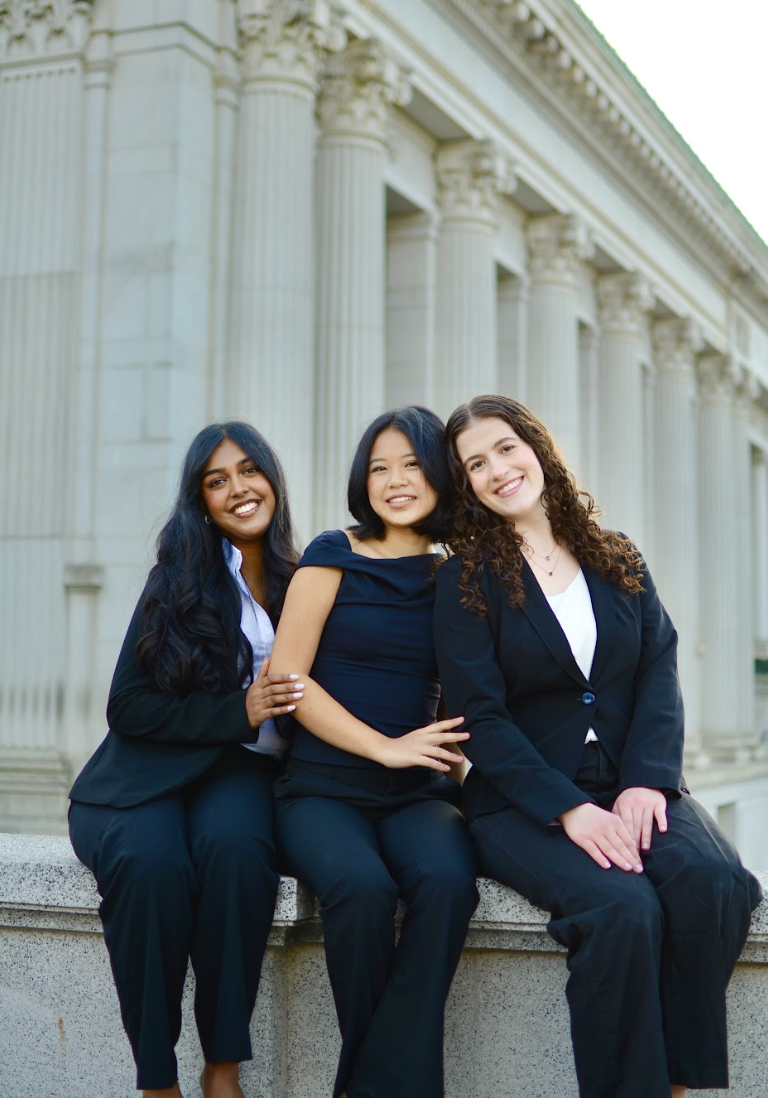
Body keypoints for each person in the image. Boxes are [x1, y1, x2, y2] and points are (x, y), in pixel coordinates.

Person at [433, 394, 762, 1098]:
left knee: (713, 881)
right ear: (466, 486)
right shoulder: (465, 579)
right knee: (622, 909)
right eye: (476, 465)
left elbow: (658, 670)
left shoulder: (616, 557)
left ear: (537, 448)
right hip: (523, 805)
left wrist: (647, 780)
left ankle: (678, 1082)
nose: (497, 470)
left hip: (632, 781)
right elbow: (480, 719)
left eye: (505, 448)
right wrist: (570, 812)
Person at [69, 422, 301, 1098]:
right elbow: (128, 707)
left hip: (245, 774)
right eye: (217, 480)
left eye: (249, 471)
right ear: (201, 500)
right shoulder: (178, 578)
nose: (238, 489)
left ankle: (222, 1067)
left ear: (273, 480)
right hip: (146, 771)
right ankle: (157, 1078)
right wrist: (241, 710)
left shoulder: (305, 576)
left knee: (236, 854)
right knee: (151, 864)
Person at [269, 406, 479, 1098]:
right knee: (361, 890)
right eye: (379, 467)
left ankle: (366, 1086)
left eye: (412, 464)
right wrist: (383, 748)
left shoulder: (457, 575)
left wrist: (453, 749)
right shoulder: (333, 554)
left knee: (448, 884)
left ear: (442, 475)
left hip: (419, 792)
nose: (395, 480)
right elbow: (286, 681)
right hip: (323, 787)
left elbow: (473, 683)